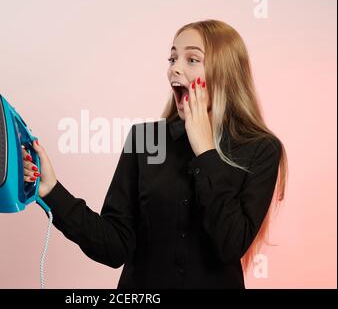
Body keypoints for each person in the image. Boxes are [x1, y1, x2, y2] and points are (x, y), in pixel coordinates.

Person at [22, 19, 288, 288]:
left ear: (225, 72)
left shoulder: (262, 149)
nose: (175, 69)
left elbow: (230, 245)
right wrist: (50, 190)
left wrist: (205, 152)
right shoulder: (146, 139)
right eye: (172, 59)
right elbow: (114, 246)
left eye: (192, 59)